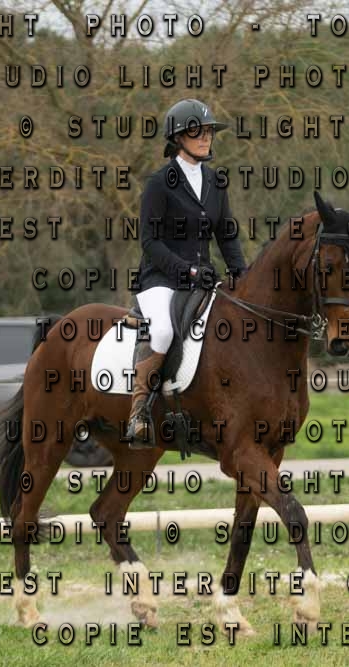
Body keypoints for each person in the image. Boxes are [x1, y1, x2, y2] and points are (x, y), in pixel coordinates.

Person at [125, 98, 248, 447]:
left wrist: (242, 274)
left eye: (209, 131)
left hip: (203, 278)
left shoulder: (215, 182)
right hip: (160, 279)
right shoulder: (159, 183)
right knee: (163, 330)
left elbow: (226, 235)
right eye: (197, 132)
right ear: (178, 138)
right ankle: (139, 412)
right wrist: (189, 271)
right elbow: (150, 242)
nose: (206, 138)